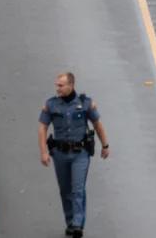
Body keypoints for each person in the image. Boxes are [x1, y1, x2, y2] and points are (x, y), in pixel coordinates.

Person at [38, 72, 109, 238]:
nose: (58, 88)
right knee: (65, 190)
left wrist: (105, 145)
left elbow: (97, 124)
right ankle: (70, 222)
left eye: (61, 85)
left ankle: (78, 225)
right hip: (60, 154)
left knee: (77, 189)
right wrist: (43, 152)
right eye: (57, 85)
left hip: (80, 154)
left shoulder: (85, 104)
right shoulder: (51, 105)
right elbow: (42, 127)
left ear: (71, 85)